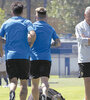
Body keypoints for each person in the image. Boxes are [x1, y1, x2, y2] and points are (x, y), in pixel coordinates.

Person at [0, 1, 36, 100]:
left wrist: (1, 51)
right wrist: (31, 44)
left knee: (13, 81)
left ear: (12, 12)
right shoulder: (26, 22)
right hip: (24, 56)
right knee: (24, 83)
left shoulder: (6, 23)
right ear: (22, 12)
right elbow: (32, 34)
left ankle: (12, 91)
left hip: (10, 57)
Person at [30, 7, 61, 100]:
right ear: (46, 16)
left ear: (36, 16)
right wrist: (51, 44)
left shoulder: (32, 27)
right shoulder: (50, 28)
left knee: (35, 84)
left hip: (34, 58)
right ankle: (44, 93)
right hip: (46, 58)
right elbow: (58, 42)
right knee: (45, 81)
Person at [75, 6, 90, 100]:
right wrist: (85, 40)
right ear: (85, 15)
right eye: (89, 15)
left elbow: (85, 40)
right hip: (84, 59)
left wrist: (87, 39)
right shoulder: (79, 26)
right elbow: (81, 40)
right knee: (88, 82)